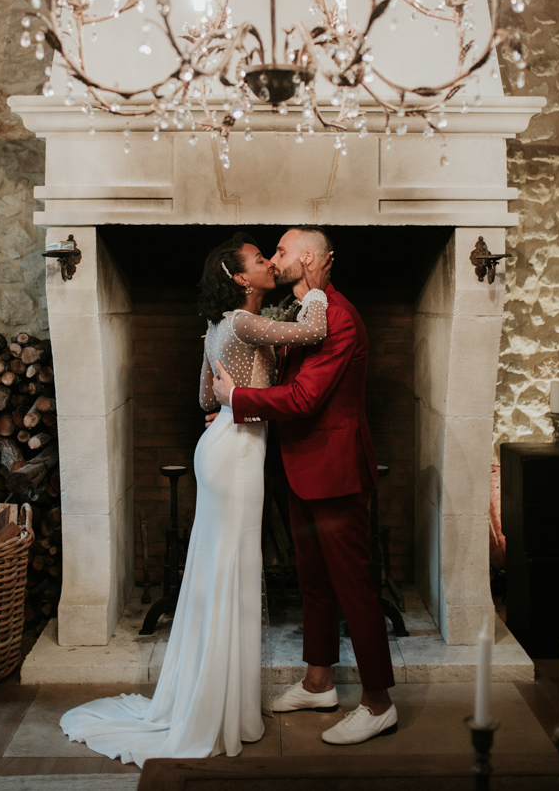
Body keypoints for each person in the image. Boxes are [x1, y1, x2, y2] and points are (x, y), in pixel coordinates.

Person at [60, 231, 332, 767]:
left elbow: (205, 396)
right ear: (241, 278)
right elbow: (315, 331)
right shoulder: (243, 322)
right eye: (260, 260)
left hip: (223, 445)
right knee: (232, 570)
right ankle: (220, 709)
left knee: (221, 570)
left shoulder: (217, 326)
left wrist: (229, 405)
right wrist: (317, 289)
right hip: (237, 454)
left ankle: (214, 699)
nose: (268, 264)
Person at [212, 226, 397, 746]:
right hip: (302, 466)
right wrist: (229, 411)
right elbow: (284, 385)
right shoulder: (306, 312)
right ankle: (319, 683)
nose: (273, 260)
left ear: (310, 257)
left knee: (353, 587)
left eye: (281, 251)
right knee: (314, 582)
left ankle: (379, 703)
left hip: (335, 472)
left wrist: (236, 401)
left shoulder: (336, 316)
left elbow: (303, 398)